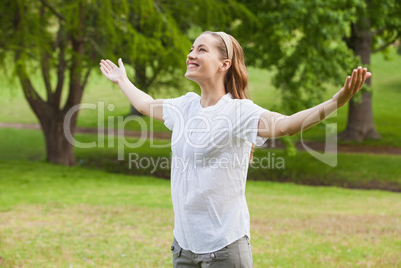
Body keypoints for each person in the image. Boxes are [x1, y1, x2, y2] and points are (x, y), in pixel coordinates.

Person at [99, 31, 370, 268]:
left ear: (224, 64)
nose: (191, 54)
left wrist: (336, 101)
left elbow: (286, 125)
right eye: (192, 48)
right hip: (183, 246)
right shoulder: (185, 106)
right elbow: (146, 104)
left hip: (224, 249)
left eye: (201, 49)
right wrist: (122, 80)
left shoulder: (238, 112)